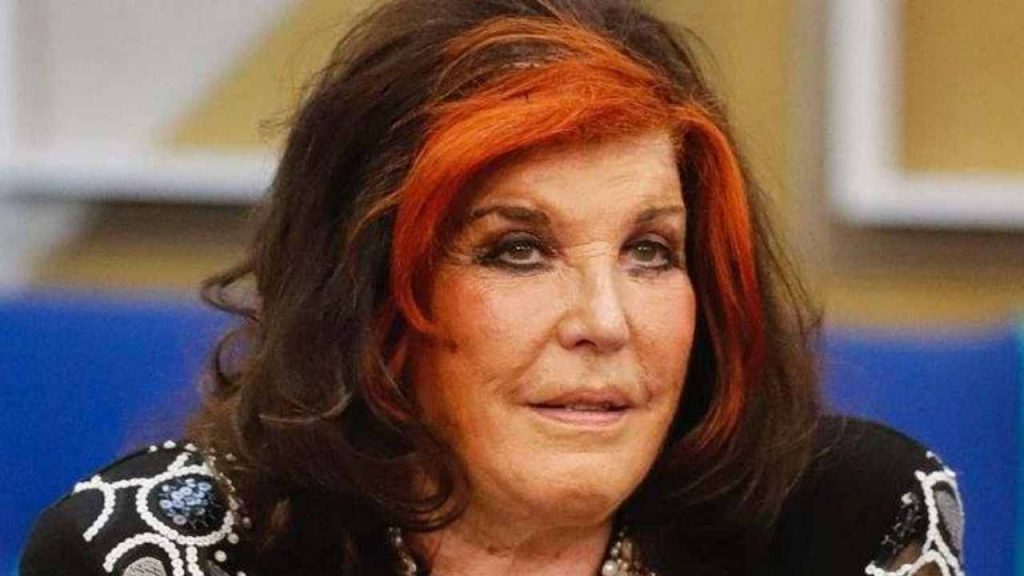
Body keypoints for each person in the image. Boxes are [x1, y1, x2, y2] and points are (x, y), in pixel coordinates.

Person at [20, 0, 965, 575]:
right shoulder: (163, 554)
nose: (606, 322)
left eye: (650, 251)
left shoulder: (849, 523)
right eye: (517, 251)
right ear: (369, 293)